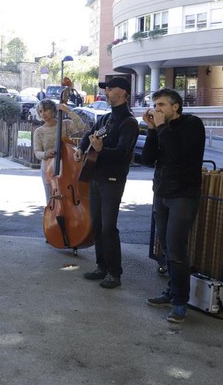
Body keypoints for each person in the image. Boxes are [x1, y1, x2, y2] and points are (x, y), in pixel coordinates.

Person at [142, 88, 205, 323]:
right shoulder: (161, 129)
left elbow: (178, 153)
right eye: (155, 105)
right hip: (162, 193)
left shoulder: (192, 124)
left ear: (175, 106)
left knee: (177, 249)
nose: (156, 109)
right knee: (167, 248)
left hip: (184, 195)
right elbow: (148, 159)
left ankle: (180, 302)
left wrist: (160, 128)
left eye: (161, 105)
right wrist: (151, 130)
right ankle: (171, 292)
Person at [75, 77, 138, 289]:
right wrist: (81, 148)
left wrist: (101, 150)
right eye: (107, 88)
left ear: (123, 92)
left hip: (113, 179)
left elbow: (122, 153)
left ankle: (114, 272)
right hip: (96, 177)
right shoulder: (107, 119)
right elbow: (90, 135)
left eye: (110, 88)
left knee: (109, 227)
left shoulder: (128, 123)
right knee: (97, 225)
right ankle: (101, 266)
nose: (107, 92)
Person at [33, 99, 86, 204]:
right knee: (50, 199)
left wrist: (68, 111)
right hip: (48, 168)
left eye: (45, 110)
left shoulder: (65, 124)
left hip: (68, 166)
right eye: (40, 111)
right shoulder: (39, 131)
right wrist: (45, 154)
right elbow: (37, 152)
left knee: (69, 198)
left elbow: (81, 127)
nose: (43, 114)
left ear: (53, 110)